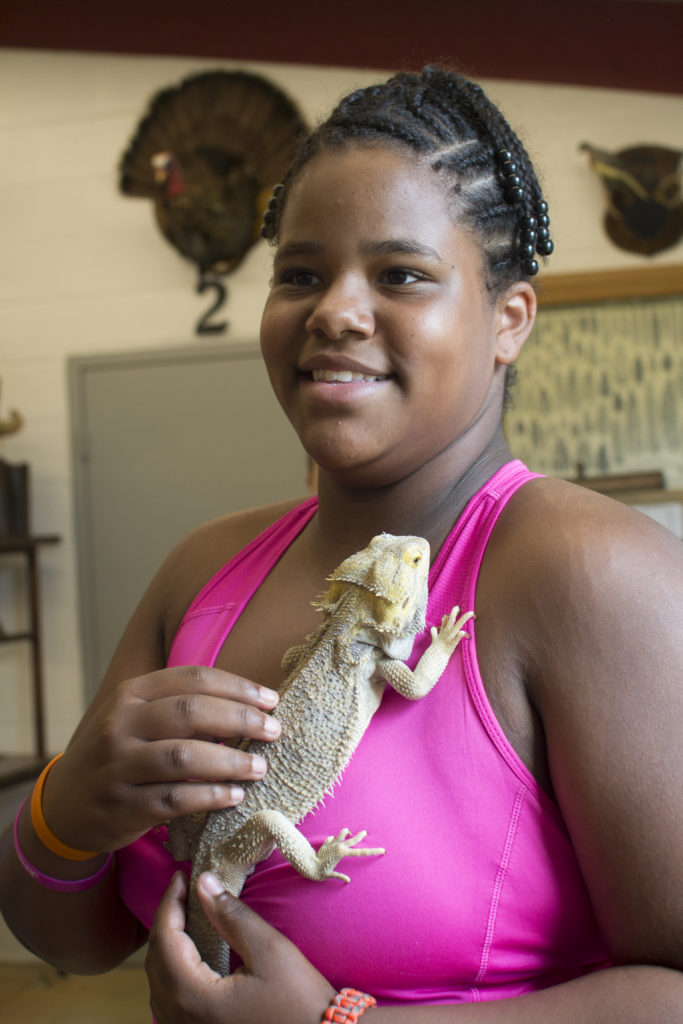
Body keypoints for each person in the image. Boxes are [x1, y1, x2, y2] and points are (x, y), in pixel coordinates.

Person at [1, 66, 682, 1023]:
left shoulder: (587, 571)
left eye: (401, 274)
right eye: (300, 273)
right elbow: (76, 942)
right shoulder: (202, 571)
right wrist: (65, 807)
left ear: (507, 320)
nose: (334, 311)